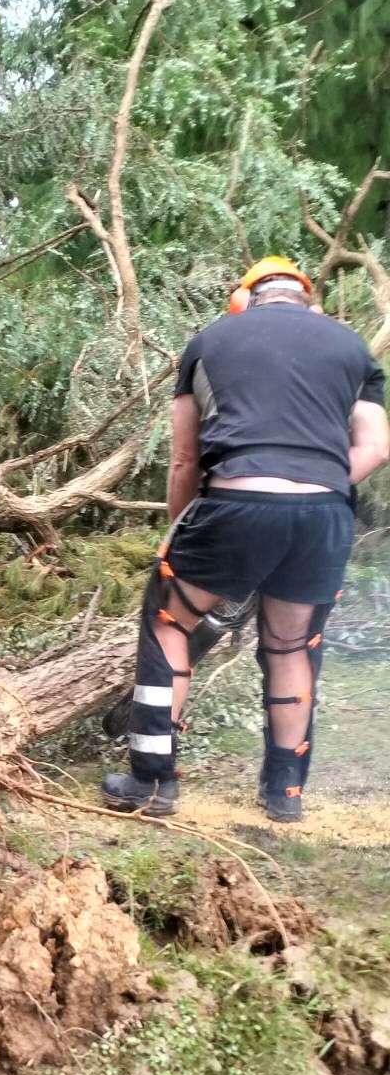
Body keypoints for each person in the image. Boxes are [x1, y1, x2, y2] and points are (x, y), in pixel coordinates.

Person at [101, 254, 390, 822]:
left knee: (169, 621)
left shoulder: (210, 341)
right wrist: (317, 487)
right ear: (307, 301)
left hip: (233, 502)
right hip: (325, 515)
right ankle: (285, 793)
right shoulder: (352, 347)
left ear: (244, 300)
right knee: (291, 645)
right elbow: (376, 448)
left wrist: (183, 529)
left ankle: (151, 781)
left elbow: (185, 459)